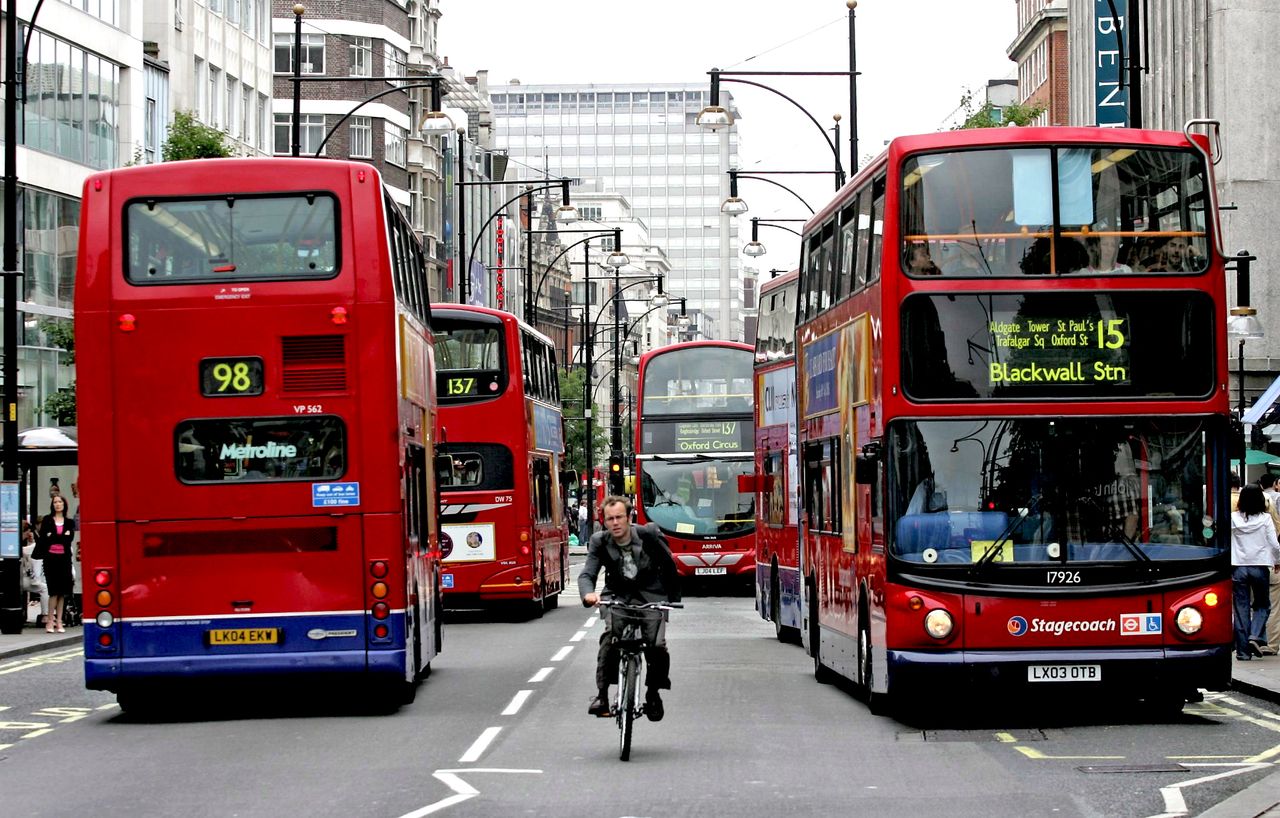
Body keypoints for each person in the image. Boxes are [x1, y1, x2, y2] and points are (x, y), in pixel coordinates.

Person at [578, 495, 681, 721]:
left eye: (619, 517)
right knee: (609, 637)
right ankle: (602, 695)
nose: (615, 523)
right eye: (609, 519)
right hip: (617, 597)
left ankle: (653, 693)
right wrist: (588, 593)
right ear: (603, 521)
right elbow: (588, 573)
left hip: (651, 594)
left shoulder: (648, 535)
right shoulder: (599, 541)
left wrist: (672, 599)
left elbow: (668, 565)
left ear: (629, 517)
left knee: (657, 645)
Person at [1232, 484, 1280, 660]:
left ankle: (1243, 652)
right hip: (1260, 566)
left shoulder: (1233, 518)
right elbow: (1274, 545)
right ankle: (1255, 636)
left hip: (1238, 567)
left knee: (1241, 609)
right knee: (1262, 605)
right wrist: (1277, 561)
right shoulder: (1265, 519)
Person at [33, 495, 76, 633]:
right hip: (50, 559)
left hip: (64, 560)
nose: (58, 504)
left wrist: (54, 536)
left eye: (60, 502)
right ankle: (50, 621)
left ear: (64, 504)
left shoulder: (69, 522)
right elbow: (46, 538)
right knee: (53, 591)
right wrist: (60, 536)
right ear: (52, 505)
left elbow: (68, 540)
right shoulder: (47, 520)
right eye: (55, 502)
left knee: (62, 592)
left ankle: (60, 622)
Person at [1260, 473, 1280, 655]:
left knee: (1255, 605)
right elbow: (1275, 544)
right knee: (1274, 606)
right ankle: (1271, 643)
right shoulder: (1271, 517)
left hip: (1247, 566)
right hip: (1272, 564)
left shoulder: (1239, 518)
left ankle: (1252, 638)